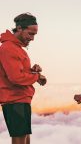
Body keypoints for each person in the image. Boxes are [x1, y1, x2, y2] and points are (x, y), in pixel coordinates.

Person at [0, 13, 47, 144]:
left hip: (21, 99)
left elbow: (17, 72)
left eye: (34, 35)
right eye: (30, 34)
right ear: (19, 28)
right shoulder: (8, 48)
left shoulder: (17, 48)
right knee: (20, 140)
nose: (32, 38)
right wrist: (36, 76)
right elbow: (15, 77)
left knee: (25, 138)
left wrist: (32, 71)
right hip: (14, 100)